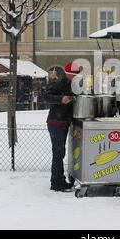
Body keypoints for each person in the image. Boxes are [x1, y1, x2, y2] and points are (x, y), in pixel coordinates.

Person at [45, 61, 80, 192]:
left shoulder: (72, 84)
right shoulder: (58, 83)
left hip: (63, 122)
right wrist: (61, 99)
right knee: (58, 153)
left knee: (60, 152)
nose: (75, 77)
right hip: (56, 122)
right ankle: (56, 183)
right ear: (67, 74)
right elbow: (46, 96)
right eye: (73, 75)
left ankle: (60, 179)